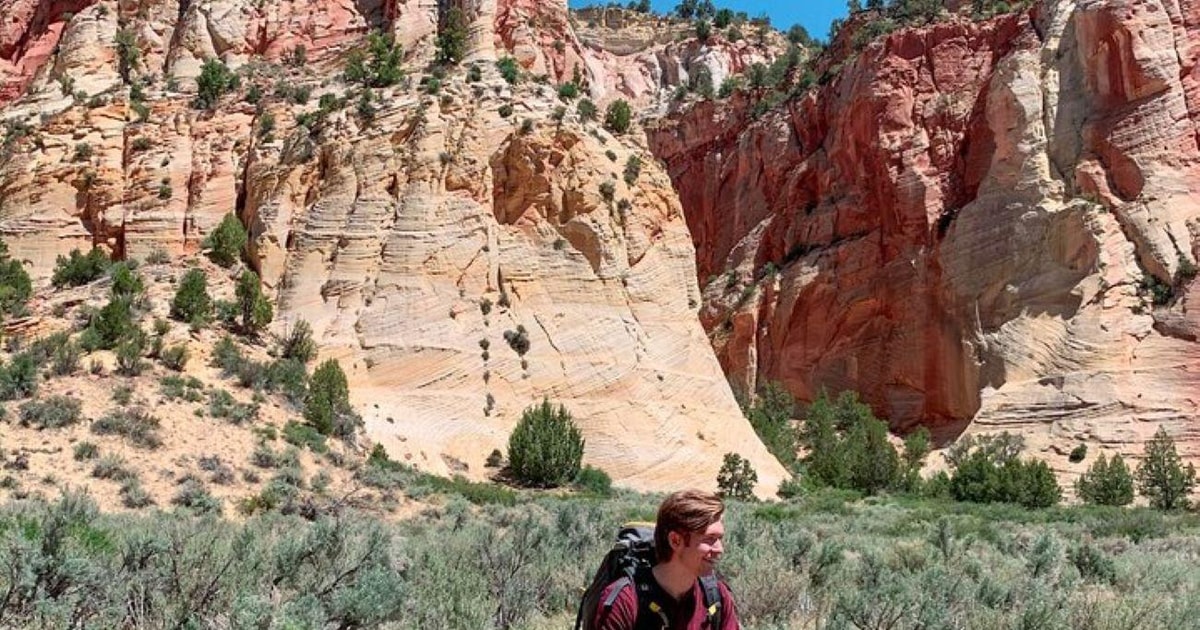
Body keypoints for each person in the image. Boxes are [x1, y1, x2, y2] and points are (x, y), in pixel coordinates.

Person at [592, 489, 741, 630]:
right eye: (710, 539)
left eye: (719, 539)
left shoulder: (716, 596)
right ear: (675, 541)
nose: (719, 549)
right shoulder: (625, 602)